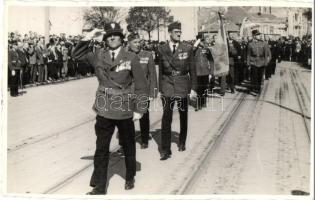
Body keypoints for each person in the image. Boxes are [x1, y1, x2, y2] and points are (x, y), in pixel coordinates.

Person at [72, 22, 149, 195]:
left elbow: (142, 86)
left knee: (128, 144)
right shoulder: (98, 55)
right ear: (105, 39)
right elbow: (76, 55)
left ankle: (130, 176)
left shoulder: (131, 57)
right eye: (109, 35)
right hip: (105, 107)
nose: (112, 38)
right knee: (101, 147)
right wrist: (89, 36)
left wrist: (139, 109)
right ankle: (100, 186)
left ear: (122, 38)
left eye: (115, 35)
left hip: (123, 107)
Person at [157, 21, 197, 161]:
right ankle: (165, 149)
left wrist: (193, 88)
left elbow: (192, 70)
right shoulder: (161, 49)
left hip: (182, 84)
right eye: (176, 32)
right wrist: (159, 89)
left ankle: (182, 142)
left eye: (180, 32)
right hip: (167, 84)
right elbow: (161, 71)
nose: (179, 34)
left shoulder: (188, 48)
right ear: (170, 33)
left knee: (183, 115)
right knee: (166, 117)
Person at [247, 30, 270, 94]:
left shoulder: (264, 43)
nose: (259, 36)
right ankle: (256, 88)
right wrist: (248, 64)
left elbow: (266, 54)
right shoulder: (250, 44)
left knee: (260, 76)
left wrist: (266, 62)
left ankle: (259, 87)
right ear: (254, 36)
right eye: (257, 35)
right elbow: (248, 54)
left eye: (259, 35)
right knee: (254, 76)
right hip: (253, 62)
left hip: (261, 62)